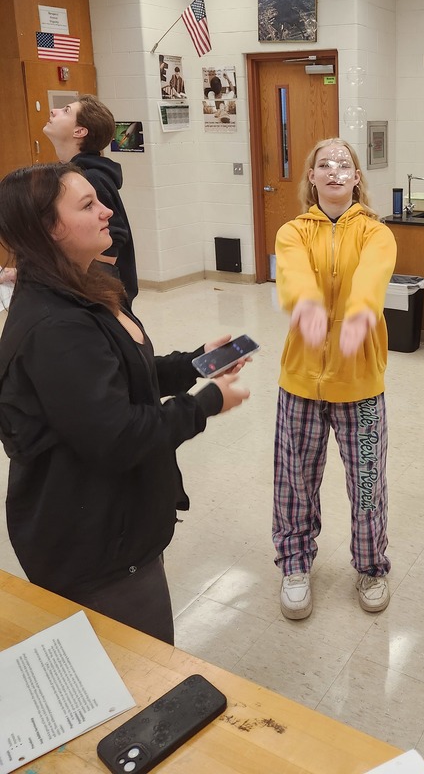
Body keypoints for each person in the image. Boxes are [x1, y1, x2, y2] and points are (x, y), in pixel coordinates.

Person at [0, 163, 250, 644]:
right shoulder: (56, 327)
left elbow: (123, 373)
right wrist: (206, 403)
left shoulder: (83, 288)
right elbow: (118, 435)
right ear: (50, 228)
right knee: (144, 677)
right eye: (88, 205)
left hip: (117, 520)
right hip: (92, 548)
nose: (106, 211)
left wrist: (197, 364)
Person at [273, 137, 396, 620]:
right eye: (324, 164)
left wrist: (362, 313)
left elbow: (372, 277)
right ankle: (296, 564)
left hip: (360, 381)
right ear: (312, 177)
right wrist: (305, 306)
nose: (334, 171)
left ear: (357, 177)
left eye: (344, 164)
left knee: (367, 481)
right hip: (300, 380)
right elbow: (294, 276)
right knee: (294, 480)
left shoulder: (376, 232)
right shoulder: (292, 232)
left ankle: (370, 566)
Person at [44, 95, 139, 306]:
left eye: (66, 110)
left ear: (80, 131)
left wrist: (93, 285)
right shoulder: (75, 174)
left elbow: (114, 234)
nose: (53, 111)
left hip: (100, 292)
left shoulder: (90, 177)